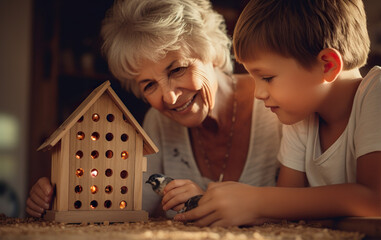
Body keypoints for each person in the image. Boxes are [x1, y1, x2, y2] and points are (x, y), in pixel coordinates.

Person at [174, 0, 381, 227]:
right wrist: (215, 202)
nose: (258, 93)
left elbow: (374, 203)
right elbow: (287, 205)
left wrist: (256, 201)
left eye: (266, 77)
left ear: (327, 65)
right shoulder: (301, 117)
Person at [25, 0, 281, 218]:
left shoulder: (275, 103)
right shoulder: (157, 122)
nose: (168, 98)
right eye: (149, 85)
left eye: (178, 69)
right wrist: (65, 194)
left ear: (210, 49)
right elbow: (129, 206)